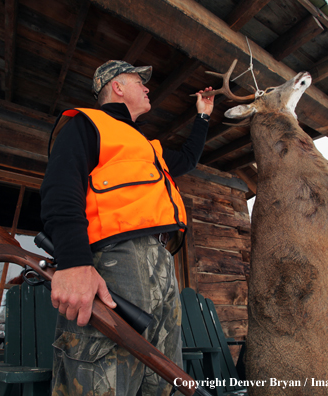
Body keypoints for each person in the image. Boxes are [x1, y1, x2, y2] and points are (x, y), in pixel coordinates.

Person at [40, 59, 214, 396]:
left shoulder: (149, 148)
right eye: (139, 81)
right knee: (103, 379)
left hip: (162, 261)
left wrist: (203, 114)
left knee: (165, 375)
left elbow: (189, 158)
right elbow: (61, 190)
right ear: (117, 87)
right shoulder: (87, 125)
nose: (148, 88)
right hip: (115, 259)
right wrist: (75, 262)